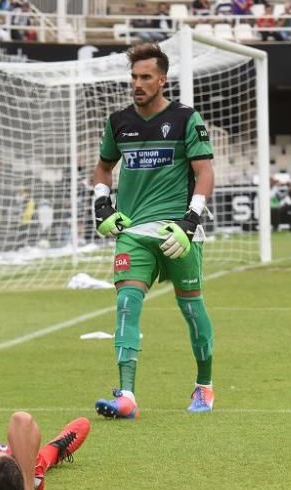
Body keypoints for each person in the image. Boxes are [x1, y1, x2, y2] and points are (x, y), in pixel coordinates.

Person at [92, 43, 217, 419]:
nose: (138, 84)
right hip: (133, 232)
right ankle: (127, 395)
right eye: (133, 77)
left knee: (192, 308)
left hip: (177, 233)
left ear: (162, 79)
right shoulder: (118, 122)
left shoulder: (185, 119)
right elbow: (102, 169)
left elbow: (204, 172)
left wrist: (190, 222)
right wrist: (103, 205)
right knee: (126, 304)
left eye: (145, 77)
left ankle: (204, 386)